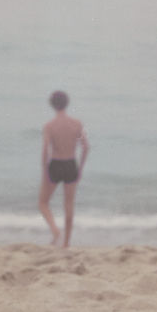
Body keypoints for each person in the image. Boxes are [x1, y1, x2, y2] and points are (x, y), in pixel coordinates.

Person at [38, 90, 89, 247]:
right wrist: (80, 168)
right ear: (66, 103)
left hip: (56, 164)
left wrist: (45, 170)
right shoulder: (76, 124)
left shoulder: (49, 126)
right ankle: (66, 242)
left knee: (43, 202)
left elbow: (46, 150)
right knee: (69, 204)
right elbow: (85, 146)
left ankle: (55, 231)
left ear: (52, 105)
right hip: (70, 165)